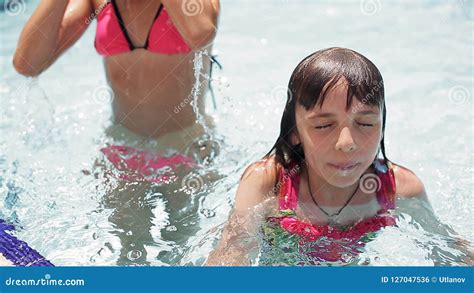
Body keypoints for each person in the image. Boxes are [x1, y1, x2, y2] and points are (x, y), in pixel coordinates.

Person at [206, 47, 473, 266]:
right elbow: (232, 253)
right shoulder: (268, 183)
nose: (347, 143)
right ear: (294, 131)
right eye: (324, 126)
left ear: (382, 125)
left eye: (366, 124)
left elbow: (448, 250)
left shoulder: (399, 189)